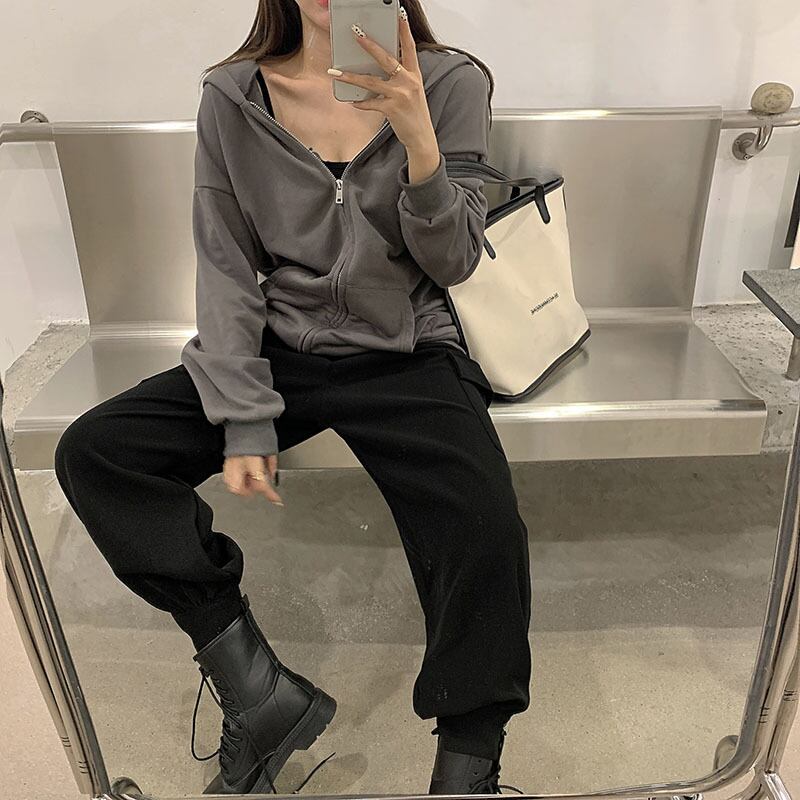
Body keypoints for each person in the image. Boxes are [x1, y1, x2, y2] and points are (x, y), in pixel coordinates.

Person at [53, 0, 532, 795]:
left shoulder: (450, 83)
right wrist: (243, 413)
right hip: (283, 345)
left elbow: (454, 262)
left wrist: (419, 142)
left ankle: (468, 765)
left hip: (406, 346)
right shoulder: (233, 96)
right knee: (99, 453)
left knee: (483, 522)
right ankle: (258, 693)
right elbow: (226, 264)